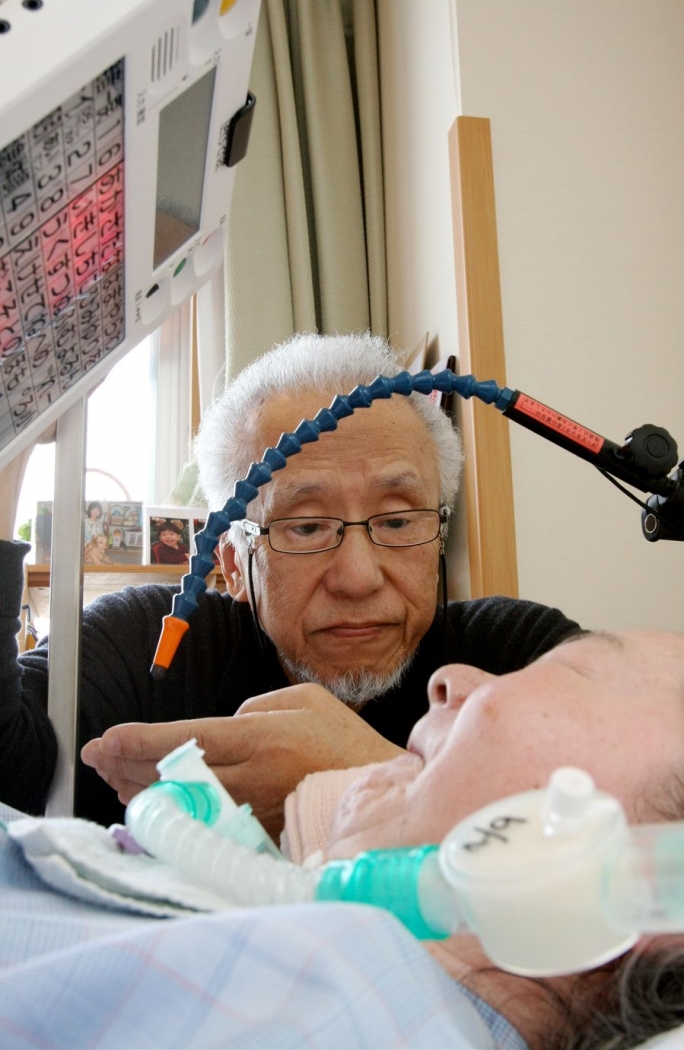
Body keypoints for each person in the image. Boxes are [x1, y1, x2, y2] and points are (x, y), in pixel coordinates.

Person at [0, 629, 684, 1049]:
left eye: (566, 669)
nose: (449, 681)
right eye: (307, 525)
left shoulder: (346, 1010)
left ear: (650, 882)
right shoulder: (332, 969)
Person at [0, 333, 580, 832]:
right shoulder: (149, 650)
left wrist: (361, 780)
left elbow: (636, 824)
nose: (358, 576)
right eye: (305, 527)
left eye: (399, 521)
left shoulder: (515, 660)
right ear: (231, 563)